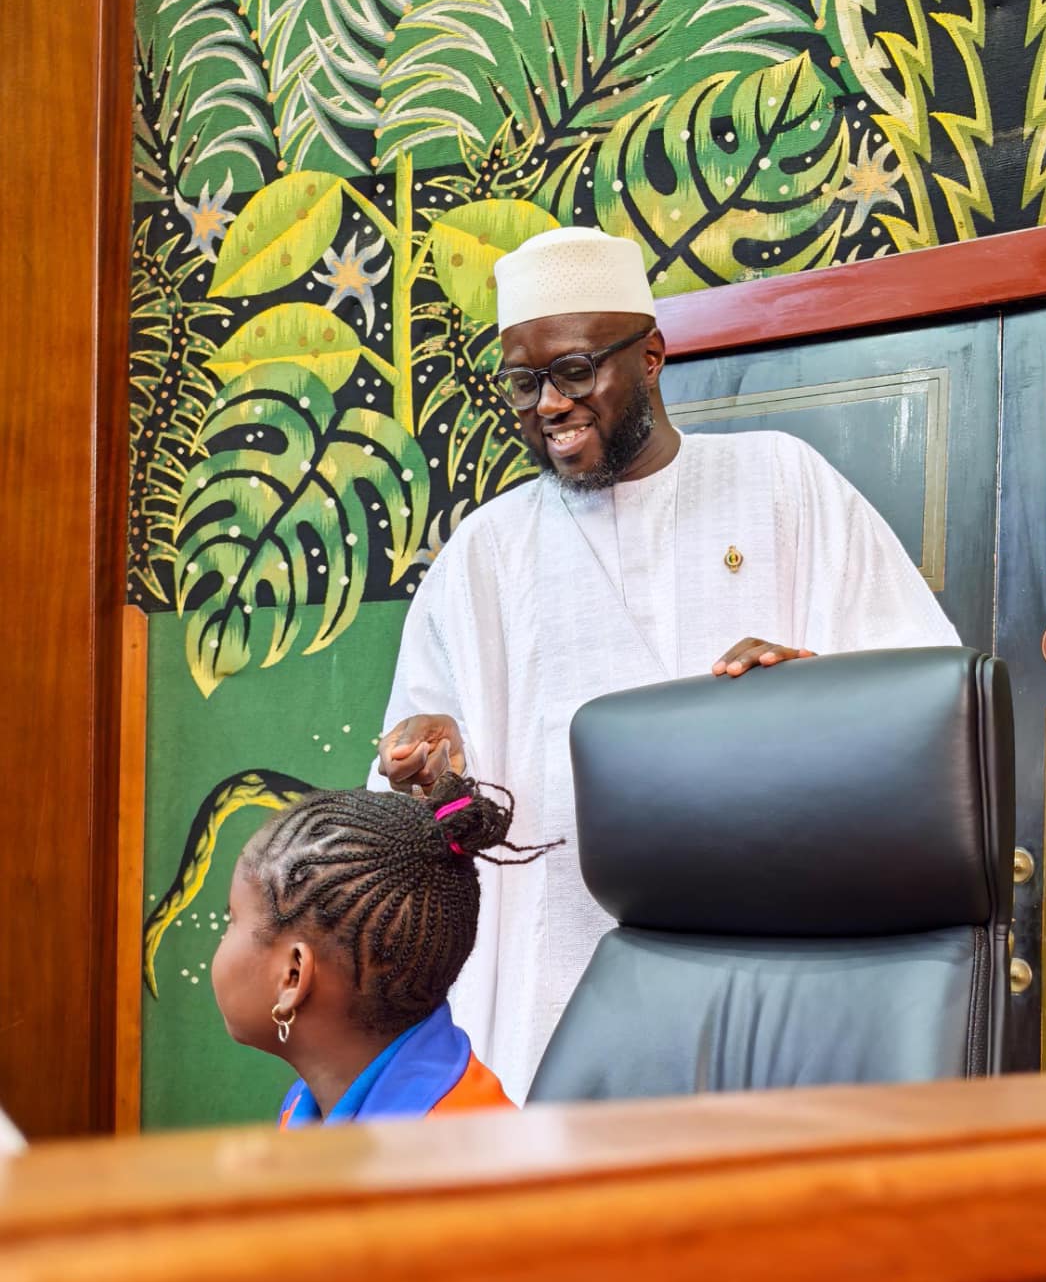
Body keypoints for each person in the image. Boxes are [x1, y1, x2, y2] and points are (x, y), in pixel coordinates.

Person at [372, 225, 962, 1099]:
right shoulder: (483, 556)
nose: (548, 405)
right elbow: (426, 817)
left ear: (649, 355)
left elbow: (930, 712)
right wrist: (429, 771)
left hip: (783, 974)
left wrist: (814, 689)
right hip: (554, 987)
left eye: (574, 372)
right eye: (524, 382)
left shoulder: (781, 482)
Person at [210, 774, 552, 1125]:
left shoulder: (451, 1160)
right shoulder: (307, 1103)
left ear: (293, 975)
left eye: (231, 919)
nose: (223, 937)